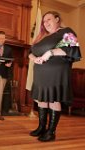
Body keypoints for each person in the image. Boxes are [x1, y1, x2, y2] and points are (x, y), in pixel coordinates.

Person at [29, 11, 81, 142]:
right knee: (42, 99)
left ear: (57, 19)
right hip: (41, 72)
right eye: (44, 21)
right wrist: (34, 58)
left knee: (53, 99)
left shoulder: (66, 31)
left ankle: (51, 132)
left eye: (49, 19)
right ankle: (41, 127)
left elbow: (72, 48)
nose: (46, 23)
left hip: (56, 71)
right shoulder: (43, 36)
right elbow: (30, 51)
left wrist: (50, 52)